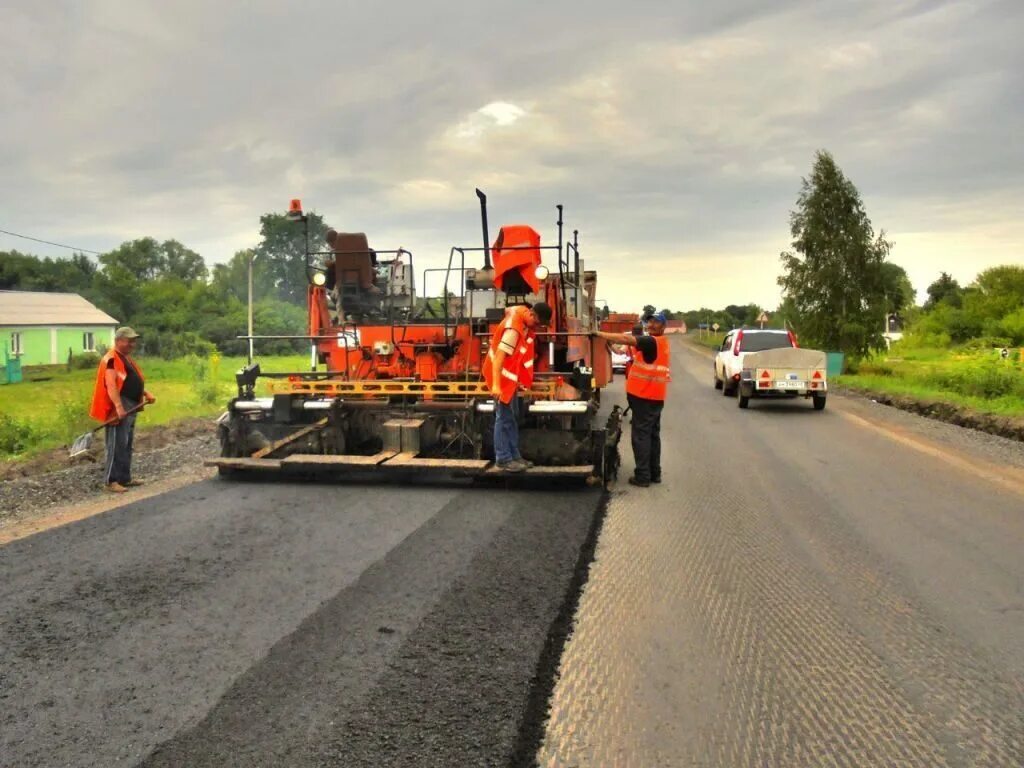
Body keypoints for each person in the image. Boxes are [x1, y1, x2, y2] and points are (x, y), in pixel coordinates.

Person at [595, 312, 671, 487]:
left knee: (641, 436)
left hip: (645, 397)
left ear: (663, 326)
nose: (651, 324)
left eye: (655, 322)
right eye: (649, 321)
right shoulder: (660, 342)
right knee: (652, 435)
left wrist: (600, 334)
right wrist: (609, 345)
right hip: (655, 397)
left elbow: (625, 339)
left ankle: (642, 476)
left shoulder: (651, 341)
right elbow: (623, 348)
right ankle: (654, 472)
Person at [484, 302, 553, 472]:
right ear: (531, 314)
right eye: (537, 323)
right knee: (504, 418)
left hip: (509, 377)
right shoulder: (513, 331)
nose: (537, 327)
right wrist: (496, 386)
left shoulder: (521, 316)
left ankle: (514, 456)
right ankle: (503, 458)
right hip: (501, 376)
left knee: (512, 416)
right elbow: (499, 357)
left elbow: (510, 309)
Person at [89, 327, 156, 493]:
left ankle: (125, 478)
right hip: (118, 405)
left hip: (132, 405)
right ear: (118, 341)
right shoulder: (111, 359)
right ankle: (111, 481)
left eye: (134, 341)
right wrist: (118, 407)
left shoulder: (125, 358)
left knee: (126, 443)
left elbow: (128, 381)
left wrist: (145, 393)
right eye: (129, 341)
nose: (133, 344)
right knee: (116, 444)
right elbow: (111, 385)